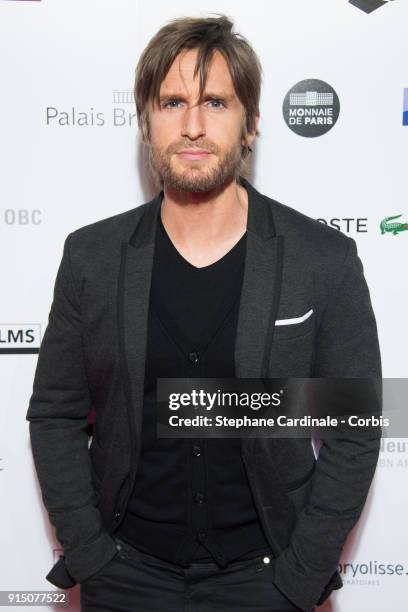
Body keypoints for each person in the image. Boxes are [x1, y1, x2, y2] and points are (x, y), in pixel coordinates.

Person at [26, 14, 382, 612]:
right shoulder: (91, 257)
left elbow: (355, 425)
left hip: (269, 581)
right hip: (124, 576)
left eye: (215, 101)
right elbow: (55, 413)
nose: (193, 126)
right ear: (146, 121)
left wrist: (304, 572)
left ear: (252, 123)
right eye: (172, 102)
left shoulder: (323, 258)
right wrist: (90, 554)